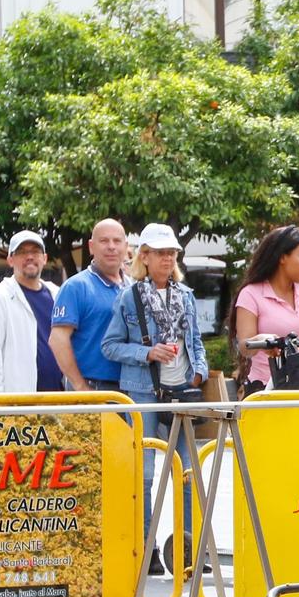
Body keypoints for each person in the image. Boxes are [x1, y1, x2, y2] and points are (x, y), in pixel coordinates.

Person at [105, 224, 210, 568]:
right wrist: (147, 353)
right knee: (146, 473)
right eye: (160, 253)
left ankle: (189, 550)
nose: (167, 258)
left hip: (183, 390)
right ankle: (146, 549)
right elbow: (110, 346)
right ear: (144, 257)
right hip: (143, 391)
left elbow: (195, 342)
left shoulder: (186, 295)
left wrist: (200, 372)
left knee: (188, 472)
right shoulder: (129, 295)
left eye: (172, 253)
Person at [233, 225, 299, 395]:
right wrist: (262, 339)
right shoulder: (251, 294)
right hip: (266, 389)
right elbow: (244, 346)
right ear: (282, 257)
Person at [0, 230, 63, 394]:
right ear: (10, 260)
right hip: (19, 402)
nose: (29, 256)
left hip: (59, 396)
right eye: (22, 252)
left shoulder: (57, 294)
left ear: (44, 258)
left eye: (35, 251)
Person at [51, 219, 129, 392]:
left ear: (126, 246)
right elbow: (57, 340)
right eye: (104, 241)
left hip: (132, 388)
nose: (111, 246)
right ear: (91, 247)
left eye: (117, 241)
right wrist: (80, 386)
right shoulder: (75, 287)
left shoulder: (134, 287)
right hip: (92, 388)